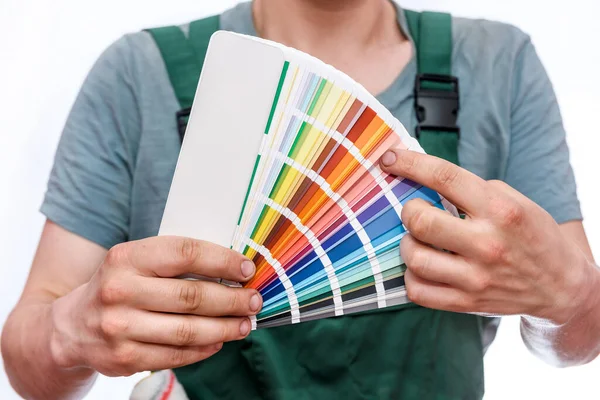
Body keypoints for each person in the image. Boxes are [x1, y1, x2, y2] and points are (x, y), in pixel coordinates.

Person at [2, 0, 599, 399]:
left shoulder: (501, 64)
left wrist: (569, 297)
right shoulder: (137, 75)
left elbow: (582, 335)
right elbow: (28, 362)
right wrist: (70, 330)